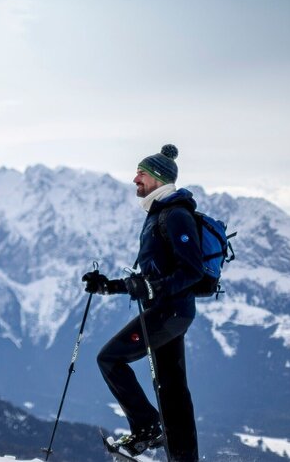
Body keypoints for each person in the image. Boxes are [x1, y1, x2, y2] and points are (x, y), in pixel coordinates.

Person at [82, 144, 201, 462]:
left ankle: (147, 428)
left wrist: (152, 287)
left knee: (110, 359)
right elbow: (149, 279)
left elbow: (192, 270)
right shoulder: (159, 215)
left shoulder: (176, 216)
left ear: (159, 179)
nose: (135, 179)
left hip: (169, 312)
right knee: (171, 389)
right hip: (170, 311)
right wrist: (108, 286)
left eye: (142, 174)